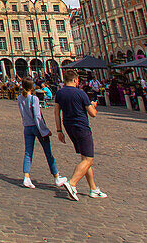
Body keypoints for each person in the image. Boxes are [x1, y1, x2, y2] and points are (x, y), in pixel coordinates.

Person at [54, 69, 106, 201]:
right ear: (76, 80)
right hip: (81, 127)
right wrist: (93, 105)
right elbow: (93, 114)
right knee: (89, 159)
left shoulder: (59, 93)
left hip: (68, 127)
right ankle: (72, 183)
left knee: (85, 158)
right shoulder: (81, 93)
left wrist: (59, 130)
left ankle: (93, 189)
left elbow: (56, 112)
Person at [18, 80, 67, 189]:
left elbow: (23, 113)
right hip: (37, 128)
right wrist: (45, 130)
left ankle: (26, 177)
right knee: (48, 152)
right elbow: (37, 116)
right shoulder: (34, 99)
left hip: (27, 127)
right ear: (32, 87)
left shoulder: (20, 98)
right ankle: (56, 177)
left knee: (28, 152)